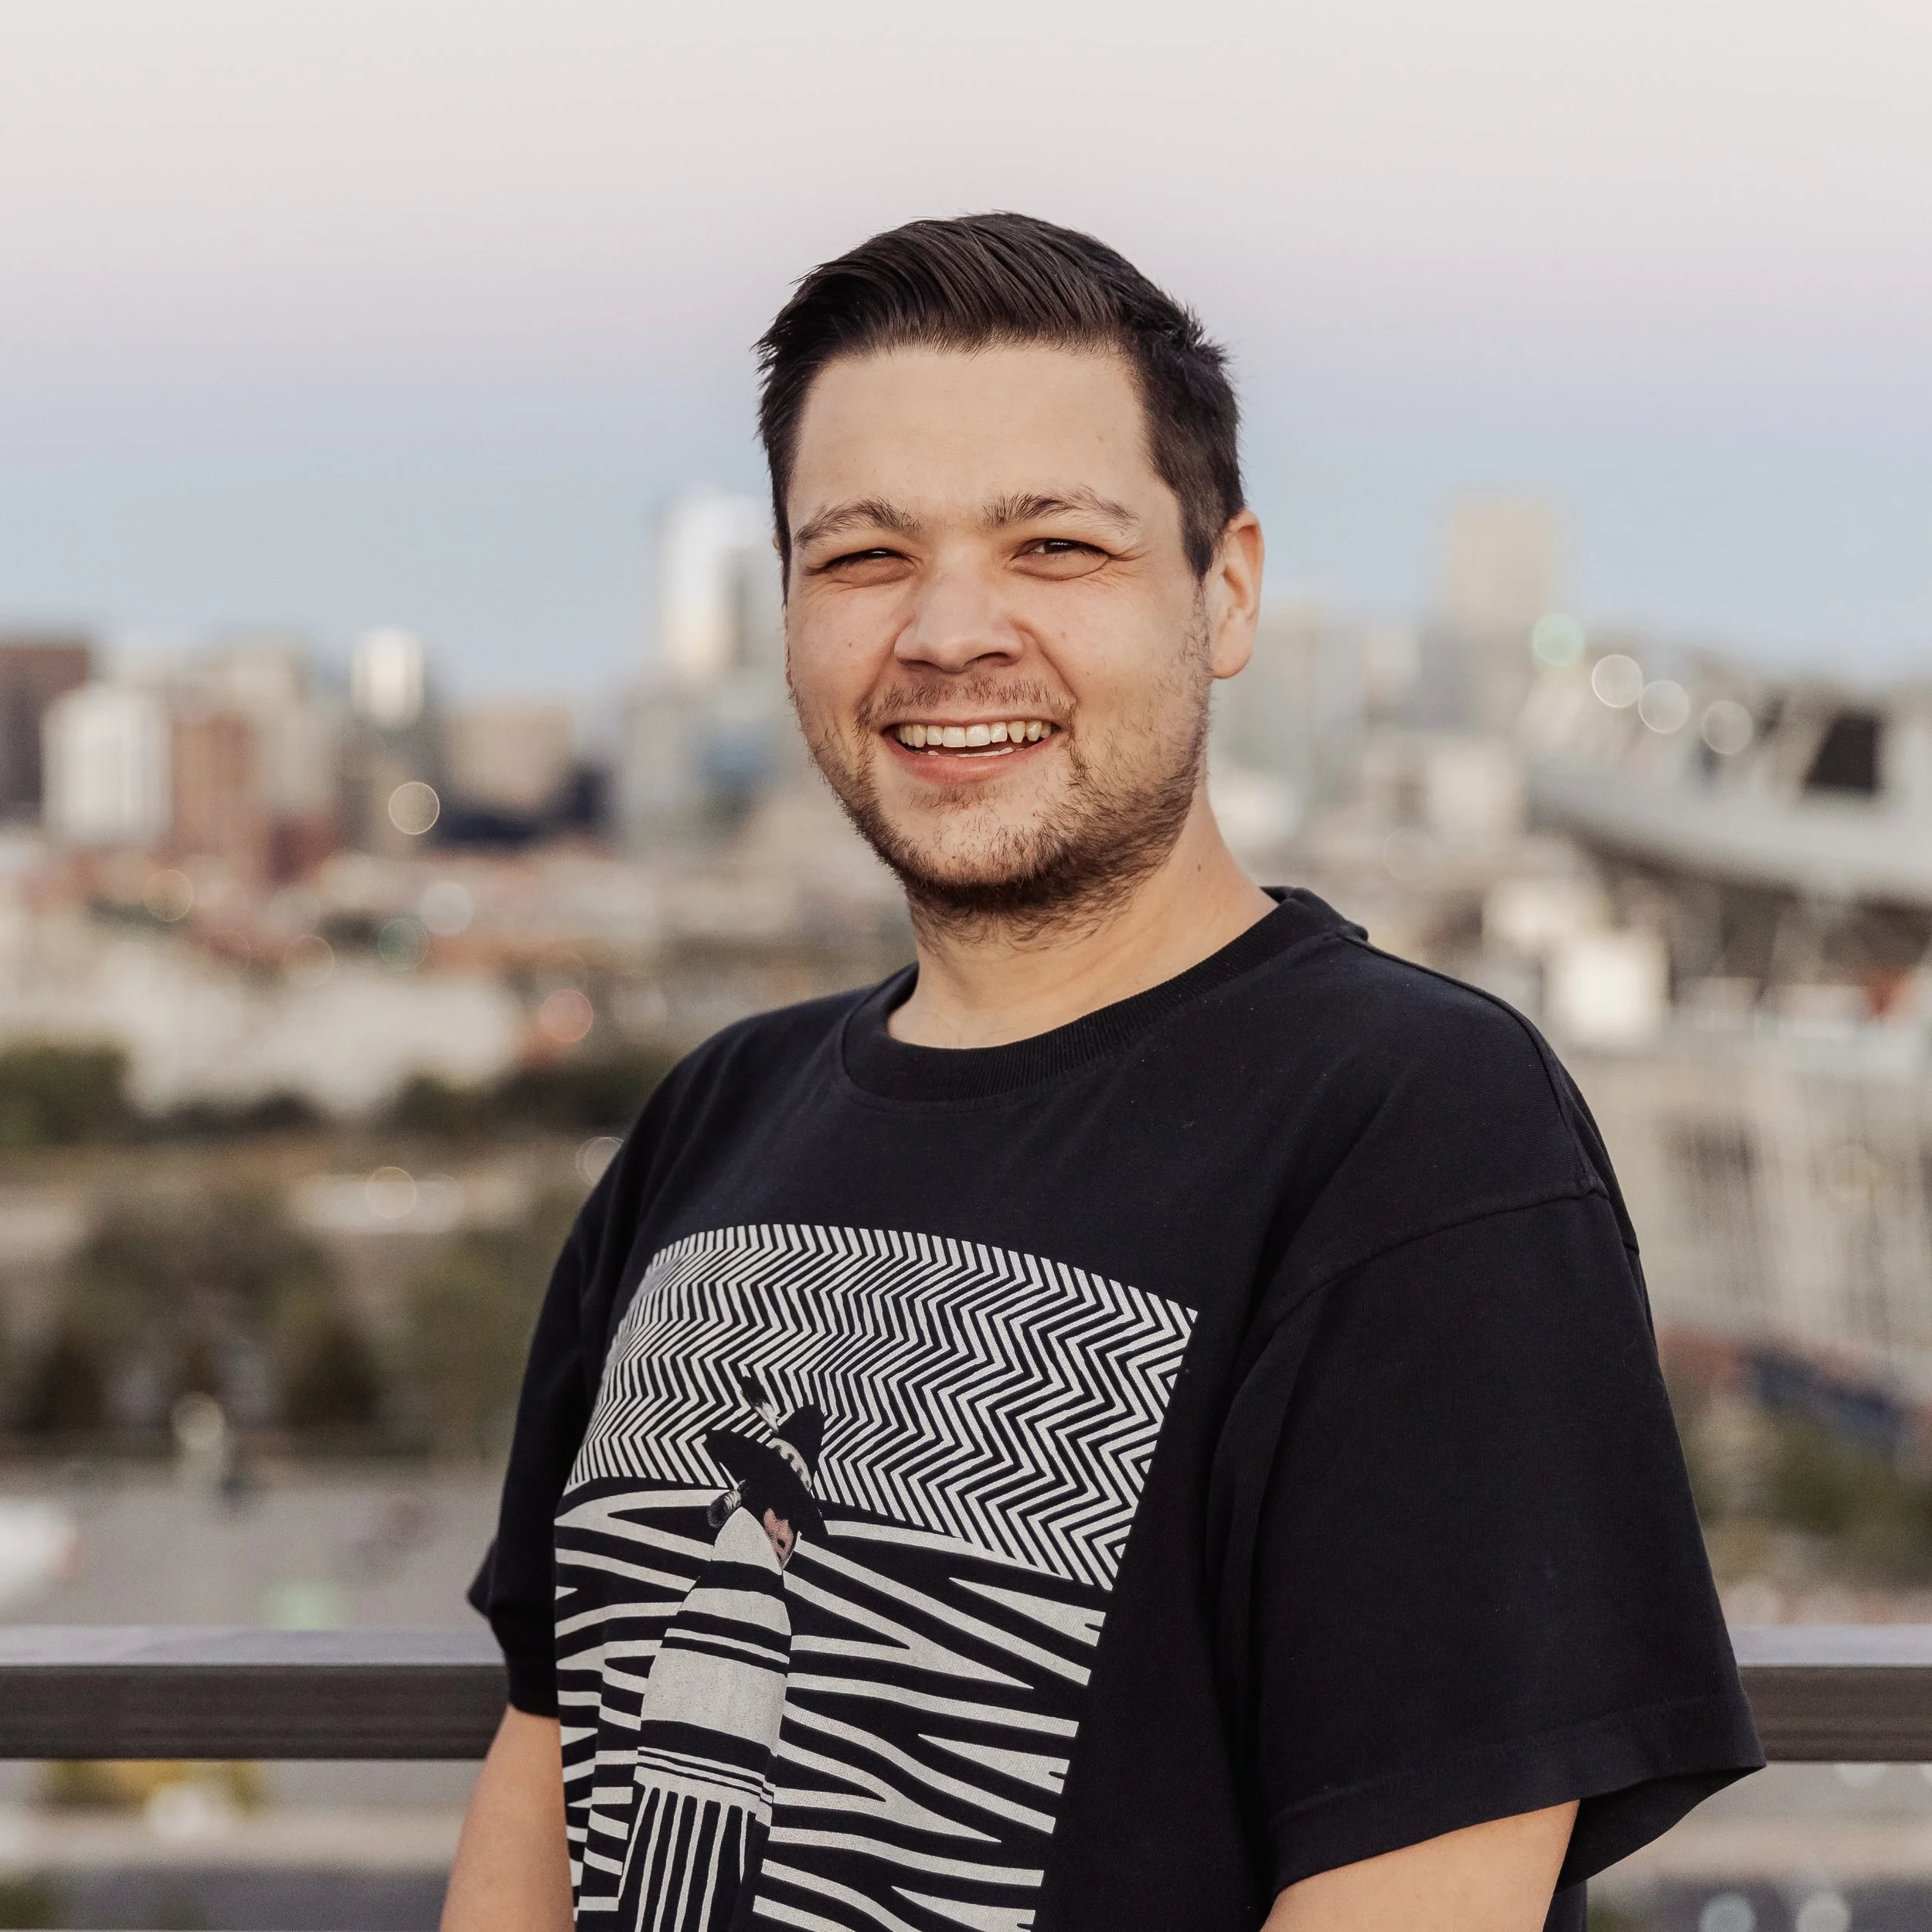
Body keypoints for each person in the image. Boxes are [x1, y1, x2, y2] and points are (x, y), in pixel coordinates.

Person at [447, 213, 1760, 1932]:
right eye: (860, 558)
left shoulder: (1413, 1126)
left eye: (1053, 545)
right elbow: (547, 1775)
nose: (946, 630)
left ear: (1223, 592)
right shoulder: (714, 1117)